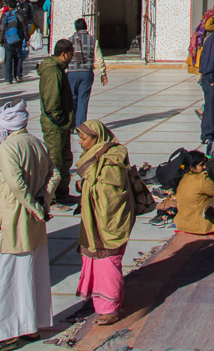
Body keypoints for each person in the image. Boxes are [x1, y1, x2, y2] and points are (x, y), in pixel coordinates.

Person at [0, 101, 53, 351]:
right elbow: (54, 174)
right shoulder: (37, 143)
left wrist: (36, 208)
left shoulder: (8, 147)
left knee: (0, 278)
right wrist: (43, 201)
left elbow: (16, 185)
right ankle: (29, 328)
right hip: (32, 223)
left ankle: (5, 336)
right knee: (27, 275)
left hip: (11, 222)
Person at [75, 121, 138, 324]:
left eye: (84, 138)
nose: (80, 142)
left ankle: (110, 309)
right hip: (98, 221)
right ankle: (104, 304)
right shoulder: (98, 157)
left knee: (108, 263)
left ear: (97, 138)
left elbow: (111, 194)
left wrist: (84, 185)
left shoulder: (111, 161)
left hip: (109, 223)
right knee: (100, 262)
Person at [39, 38, 78, 204]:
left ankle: (62, 192)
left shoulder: (59, 69)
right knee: (55, 160)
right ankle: (51, 196)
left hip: (61, 124)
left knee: (65, 158)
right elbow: (51, 101)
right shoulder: (53, 72)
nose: (72, 57)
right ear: (64, 54)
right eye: (71, 54)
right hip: (55, 125)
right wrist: (59, 119)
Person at [67, 18, 108, 125]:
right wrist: (103, 73)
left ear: (76, 28)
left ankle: (70, 123)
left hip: (72, 73)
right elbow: (99, 58)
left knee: (72, 98)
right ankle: (80, 125)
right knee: (83, 99)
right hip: (86, 73)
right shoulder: (93, 40)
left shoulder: (69, 41)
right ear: (86, 27)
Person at [174, 154, 214, 235]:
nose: (204, 167)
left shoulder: (182, 177)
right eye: (201, 165)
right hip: (200, 226)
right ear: (191, 168)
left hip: (183, 224)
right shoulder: (202, 179)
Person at [2, 3, 28, 83]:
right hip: (18, 39)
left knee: (8, 59)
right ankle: (18, 76)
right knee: (18, 57)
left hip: (7, 40)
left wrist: (1, 40)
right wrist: (27, 38)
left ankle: (8, 79)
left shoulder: (4, 15)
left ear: (8, 6)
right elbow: (24, 27)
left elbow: (1, 28)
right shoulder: (20, 14)